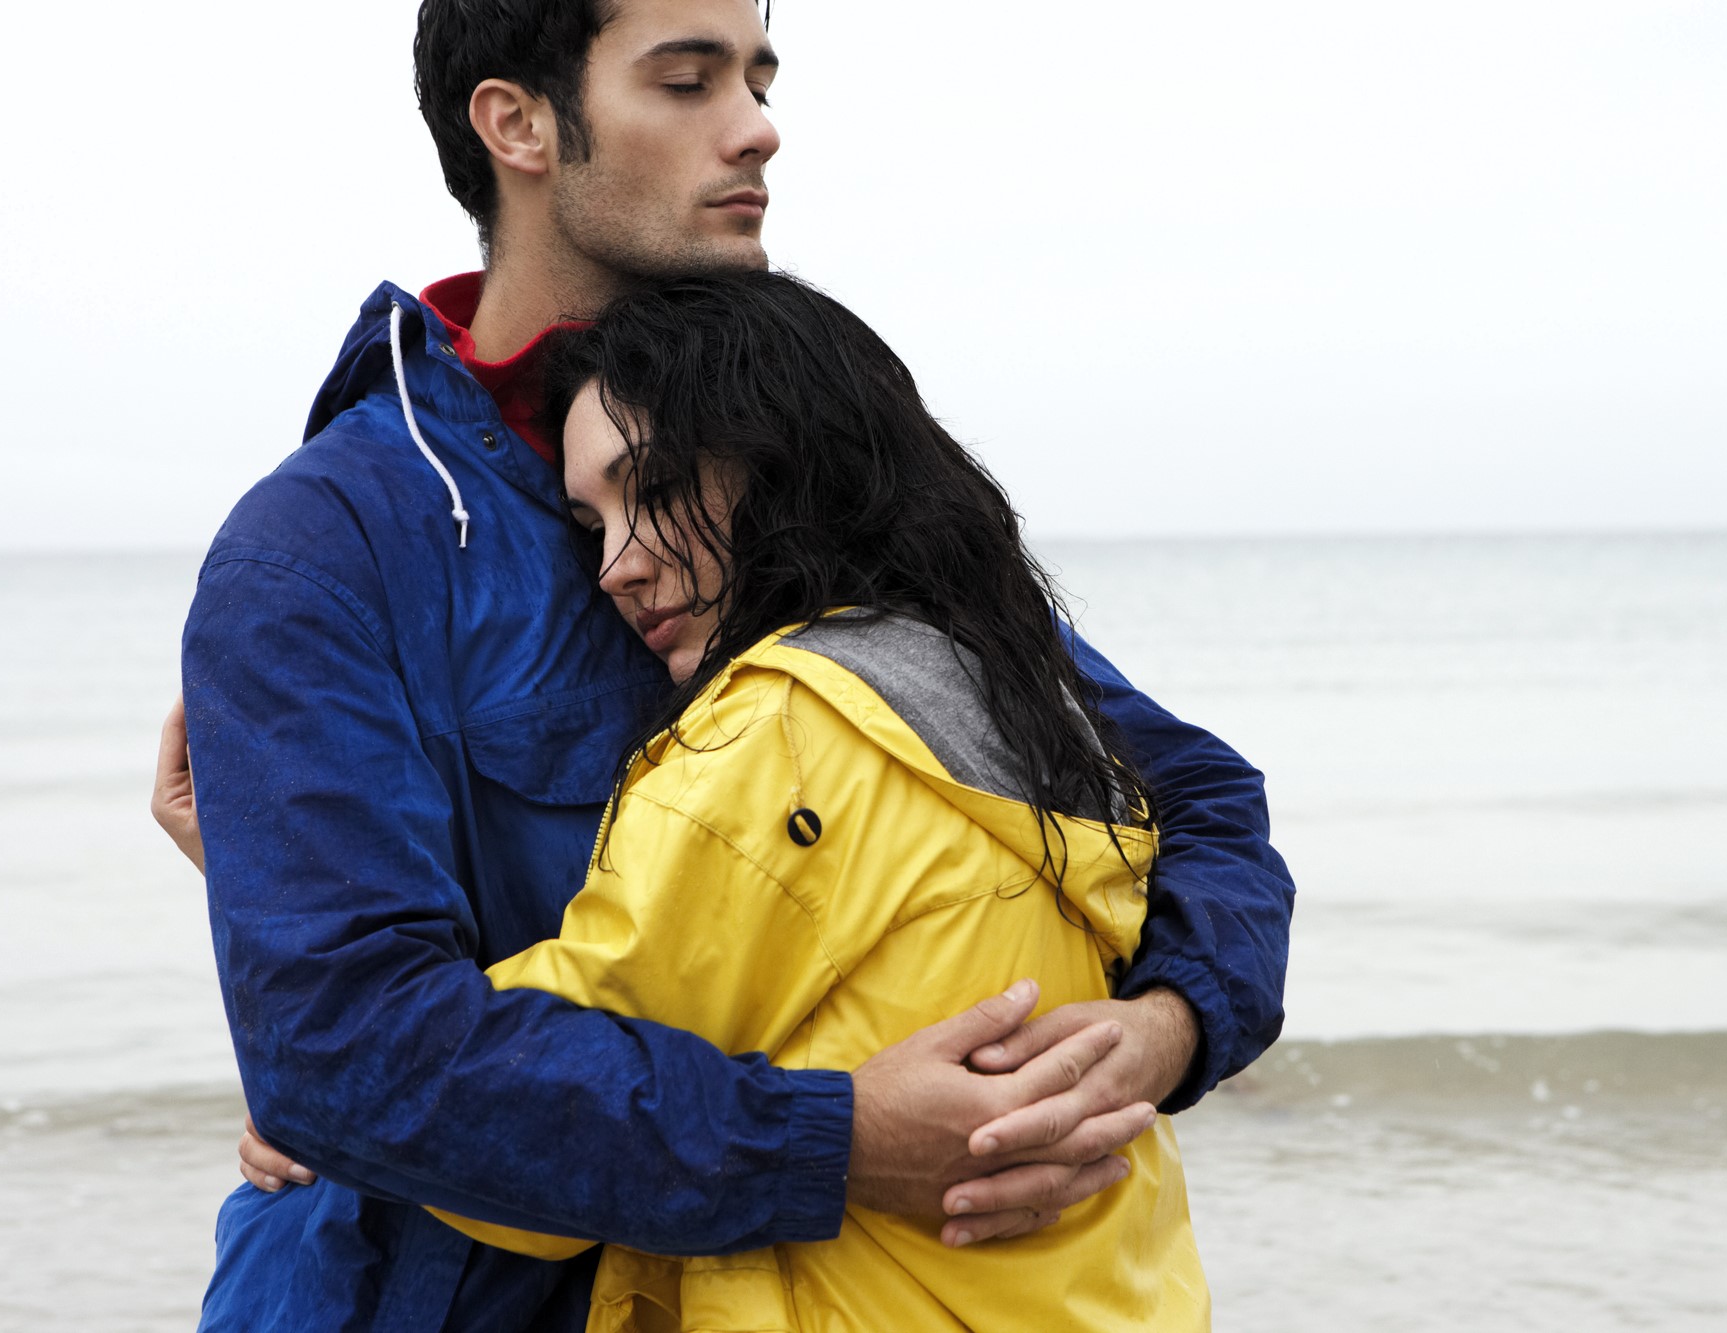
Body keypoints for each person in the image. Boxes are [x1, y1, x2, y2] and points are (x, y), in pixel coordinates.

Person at [159, 2, 1293, 1329]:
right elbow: (347, 1055)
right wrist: (838, 1141)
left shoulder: (802, 486)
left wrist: (1156, 1030)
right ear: (516, 122)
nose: (758, 127)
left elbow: (1184, 795)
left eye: (756, 77)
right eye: (688, 82)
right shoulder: (324, 546)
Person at [423, 268, 1213, 1329]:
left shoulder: (777, 736)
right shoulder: (1018, 685)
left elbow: (518, 1133)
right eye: (589, 521)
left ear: (779, 459)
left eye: (647, 488)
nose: (611, 567)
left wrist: (340, 1096)